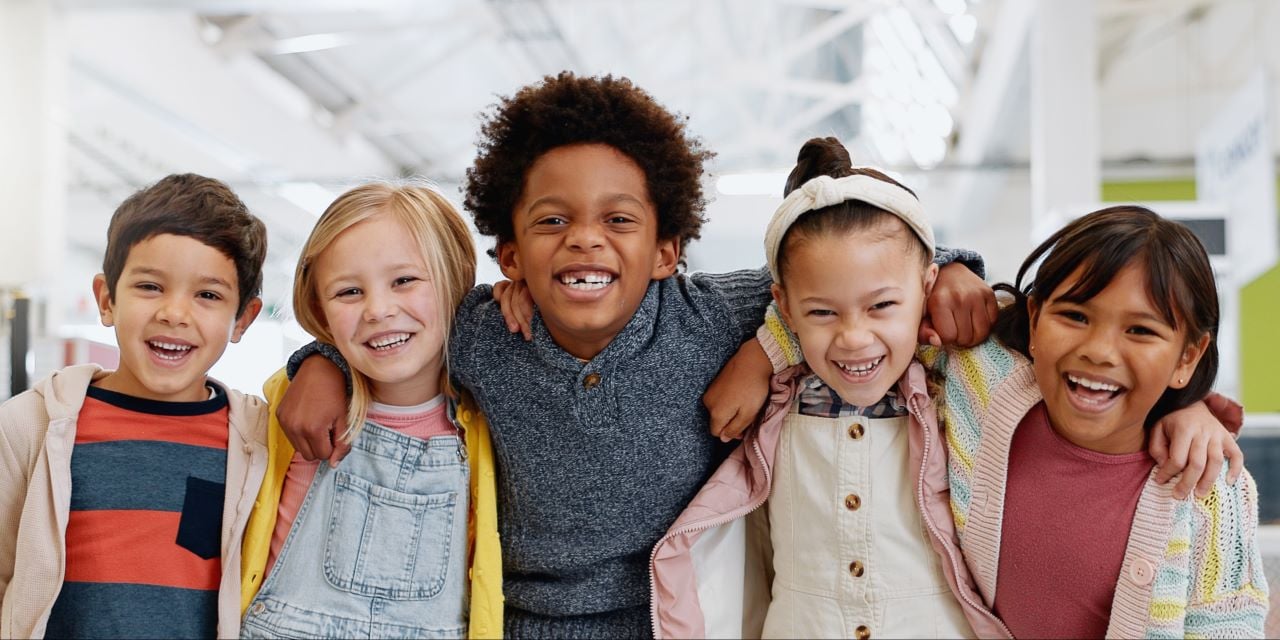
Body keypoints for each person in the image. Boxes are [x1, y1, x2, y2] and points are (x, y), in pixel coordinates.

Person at [280, 72, 996, 638]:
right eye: (552, 220)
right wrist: (320, 365)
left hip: (680, 618)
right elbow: (394, 330)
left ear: (665, 252)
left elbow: (841, 268)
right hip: (519, 623)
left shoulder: (709, 315)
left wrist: (958, 267)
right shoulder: (483, 334)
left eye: (618, 220)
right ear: (510, 258)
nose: (585, 239)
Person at [722, 204, 1263, 637]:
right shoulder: (984, 383)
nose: (1099, 350)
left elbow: (1230, 623)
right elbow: (856, 301)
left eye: (1140, 331)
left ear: (1187, 358)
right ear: (1033, 317)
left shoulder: (1211, 486)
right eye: (1074, 316)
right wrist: (764, 354)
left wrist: (1194, 405)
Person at [0, 173, 269, 638]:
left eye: (207, 295)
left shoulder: (259, 441)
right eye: (150, 287)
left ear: (242, 319)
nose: (175, 313)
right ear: (106, 300)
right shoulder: (31, 426)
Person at [237, 182, 500, 639]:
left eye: (404, 281)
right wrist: (321, 359)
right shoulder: (287, 403)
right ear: (318, 306)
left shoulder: (494, 416)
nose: (378, 310)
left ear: (456, 276)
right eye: (349, 292)